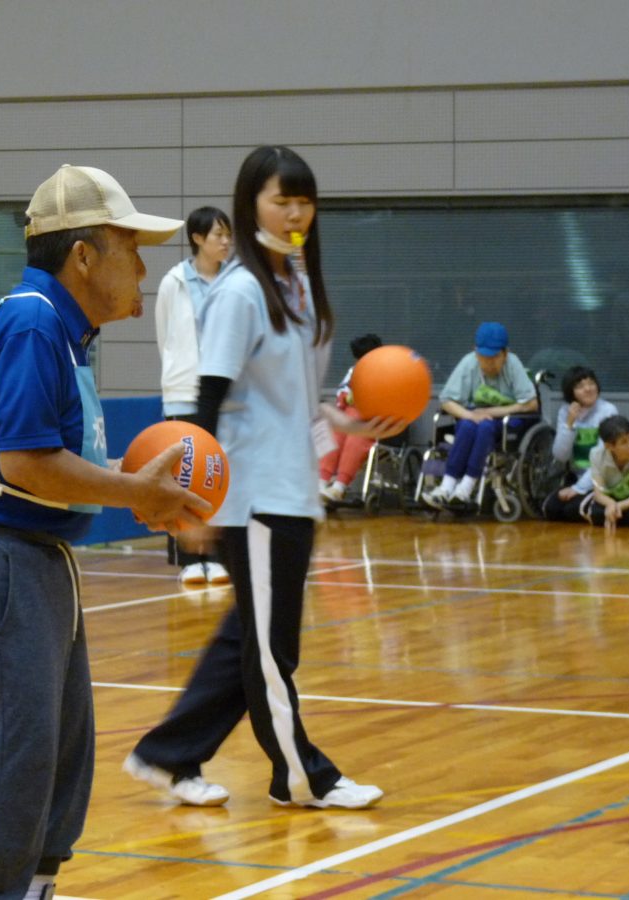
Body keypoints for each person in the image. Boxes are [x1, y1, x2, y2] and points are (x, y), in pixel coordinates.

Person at [0, 164, 211, 900]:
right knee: (18, 752)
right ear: (83, 255)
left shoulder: (58, 329)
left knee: (60, 751)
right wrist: (133, 492)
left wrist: (143, 490)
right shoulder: (32, 320)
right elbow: (23, 462)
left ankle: (35, 887)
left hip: (31, 552)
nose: (144, 269)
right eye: (131, 248)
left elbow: (57, 462)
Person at [124, 145, 403, 810]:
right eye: (282, 199)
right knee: (274, 650)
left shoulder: (297, 286)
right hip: (250, 498)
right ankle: (300, 776)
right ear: (252, 203)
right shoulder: (242, 290)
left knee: (248, 640)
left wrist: (350, 424)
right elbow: (208, 401)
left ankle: (167, 755)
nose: (295, 211)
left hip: (293, 490)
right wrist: (194, 506)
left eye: (304, 199)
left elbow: (292, 397)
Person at [155, 205, 233, 587]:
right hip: (184, 394)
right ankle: (188, 558)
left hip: (222, 395)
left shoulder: (235, 283)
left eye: (228, 235)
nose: (225, 242)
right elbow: (165, 337)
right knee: (187, 477)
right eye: (218, 234)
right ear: (198, 238)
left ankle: (216, 557)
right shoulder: (175, 281)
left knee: (218, 475)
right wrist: (177, 377)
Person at [422, 321, 537, 511]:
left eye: (494, 358)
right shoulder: (469, 363)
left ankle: (466, 488)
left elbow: (531, 404)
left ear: (505, 353)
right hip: (473, 416)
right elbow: (447, 401)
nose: (488, 363)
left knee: (485, 426)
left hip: (507, 420)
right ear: (475, 351)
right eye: (483, 357)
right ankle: (446, 487)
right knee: (467, 425)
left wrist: (491, 412)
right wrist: (469, 414)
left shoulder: (513, 364)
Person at [540, 366, 618, 519]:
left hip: (603, 479)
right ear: (571, 392)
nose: (588, 389)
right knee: (551, 508)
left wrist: (578, 488)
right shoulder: (565, 411)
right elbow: (561, 455)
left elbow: (603, 458)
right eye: (580, 386)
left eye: (591, 383)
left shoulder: (608, 411)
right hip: (577, 476)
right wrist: (569, 424)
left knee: (572, 509)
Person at [319, 331, 383, 502]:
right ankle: (321, 481)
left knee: (355, 437)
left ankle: (339, 486)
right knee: (334, 433)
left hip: (372, 422)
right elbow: (343, 393)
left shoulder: (387, 372)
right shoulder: (354, 371)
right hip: (349, 418)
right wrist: (347, 398)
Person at [578, 415, 629, 531]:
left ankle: (615, 516)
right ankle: (616, 517)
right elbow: (599, 493)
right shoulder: (596, 455)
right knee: (595, 515)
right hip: (613, 495)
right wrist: (611, 503)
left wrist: (616, 507)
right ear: (609, 446)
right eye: (624, 442)